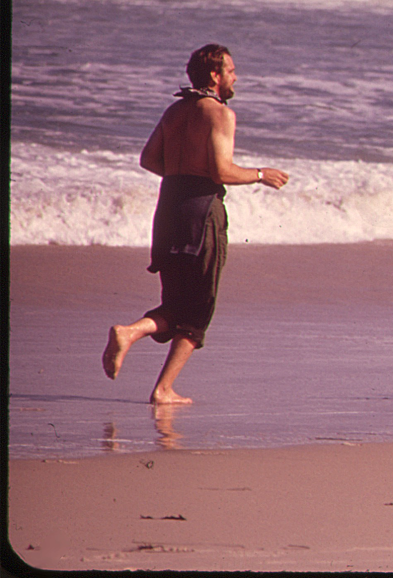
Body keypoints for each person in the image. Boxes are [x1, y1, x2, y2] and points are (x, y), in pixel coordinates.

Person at [102, 44, 289, 405]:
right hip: (201, 214)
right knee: (199, 308)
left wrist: (183, 176)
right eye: (231, 70)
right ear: (215, 76)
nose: (236, 77)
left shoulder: (175, 110)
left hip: (169, 207)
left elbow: (149, 159)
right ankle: (160, 385)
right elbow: (222, 170)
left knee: (176, 302)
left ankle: (133, 337)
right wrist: (261, 174)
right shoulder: (219, 113)